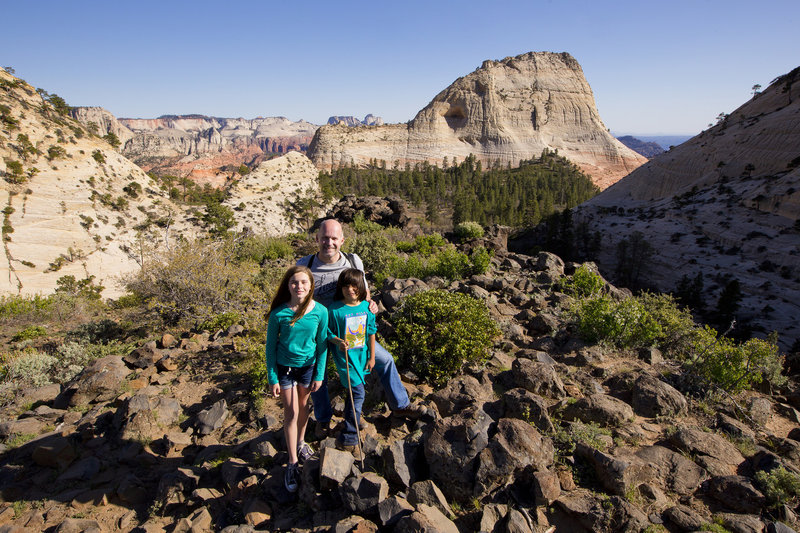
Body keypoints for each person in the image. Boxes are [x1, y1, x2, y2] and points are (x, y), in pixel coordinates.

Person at [297, 219, 424, 438]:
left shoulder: (353, 261)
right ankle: (324, 419)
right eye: (325, 238)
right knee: (318, 377)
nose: (329, 242)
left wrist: (371, 302)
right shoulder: (305, 265)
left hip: (353, 331)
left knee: (385, 360)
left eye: (334, 238)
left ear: (342, 240)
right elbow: (296, 299)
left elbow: (363, 290)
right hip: (319, 333)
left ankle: (400, 404)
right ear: (317, 239)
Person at [264, 265, 328, 493]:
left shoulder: (320, 311)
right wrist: (272, 378)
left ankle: (300, 443)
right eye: (294, 283)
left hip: (308, 368)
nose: (299, 287)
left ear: (311, 285)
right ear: (287, 285)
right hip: (285, 369)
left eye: (303, 282)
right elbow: (270, 348)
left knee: (304, 408)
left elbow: (322, 346)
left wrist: (319, 374)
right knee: (290, 412)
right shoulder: (279, 313)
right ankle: (292, 462)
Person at [327, 268, 376, 452]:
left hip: (361, 357)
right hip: (344, 358)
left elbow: (371, 332)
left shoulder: (366, 307)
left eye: (354, 286)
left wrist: (372, 357)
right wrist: (338, 341)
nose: (350, 290)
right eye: (346, 286)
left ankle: (350, 422)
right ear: (341, 287)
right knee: (358, 394)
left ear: (360, 287)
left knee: (354, 394)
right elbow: (327, 332)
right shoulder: (334, 309)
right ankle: (349, 438)